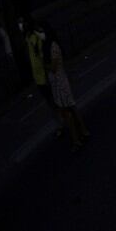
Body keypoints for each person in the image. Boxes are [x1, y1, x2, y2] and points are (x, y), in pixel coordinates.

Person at [41, 22, 89, 152]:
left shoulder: (52, 46)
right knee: (72, 108)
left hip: (59, 83)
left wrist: (44, 65)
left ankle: (76, 139)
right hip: (59, 82)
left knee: (67, 112)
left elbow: (54, 67)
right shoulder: (53, 45)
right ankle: (83, 132)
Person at [23, 17, 63, 135]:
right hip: (39, 77)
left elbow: (41, 55)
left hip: (43, 75)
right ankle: (61, 122)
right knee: (52, 101)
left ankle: (62, 122)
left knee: (54, 100)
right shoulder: (29, 38)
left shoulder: (35, 38)